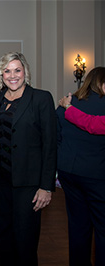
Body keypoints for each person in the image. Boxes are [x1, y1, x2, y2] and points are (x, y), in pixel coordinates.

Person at [0, 52, 56, 266]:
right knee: (3, 237)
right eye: (7, 71)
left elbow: (50, 145)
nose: (12, 75)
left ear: (25, 72)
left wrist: (46, 186)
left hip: (29, 184)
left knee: (25, 241)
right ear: (1, 74)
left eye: (17, 70)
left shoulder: (41, 98)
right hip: (0, 181)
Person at [56, 66, 105, 266]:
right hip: (98, 176)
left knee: (78, 226)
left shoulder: (66, 103)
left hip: (69, 173)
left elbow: (56, 138)